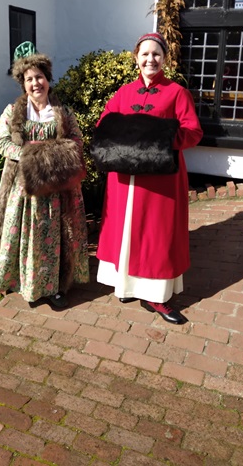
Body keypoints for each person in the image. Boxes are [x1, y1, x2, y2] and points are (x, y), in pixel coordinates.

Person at [94, 32, 203, 324]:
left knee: (156, 235)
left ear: (164, 58)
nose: (150, 59)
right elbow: (104, 123)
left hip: (160, 183)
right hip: (124, 181)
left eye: (156, 54)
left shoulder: (177, 93)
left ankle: (156, 296)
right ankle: (127, 285)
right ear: (136, 58)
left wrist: (159, 139)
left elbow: (193, 132)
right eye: (144, 54)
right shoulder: (123, 93)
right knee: (125, 230)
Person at [0, 42, 89, 309]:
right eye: (29, 79)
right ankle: (30, 286)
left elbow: (76, 142)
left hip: (58, 189)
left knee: (57, 238)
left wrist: (49, 155)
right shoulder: (11, 113)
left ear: (48, 79)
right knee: (29, 238)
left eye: (40, 77)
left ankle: (57, 288)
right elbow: (2, 144)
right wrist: (30, 155)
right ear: (23, 84)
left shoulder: (63, 113)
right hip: (25, 189)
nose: (36, 83)